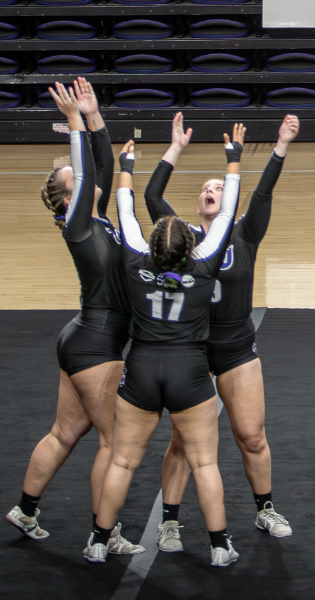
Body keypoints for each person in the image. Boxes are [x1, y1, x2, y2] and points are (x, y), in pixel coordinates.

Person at [141, 111, 300, 550]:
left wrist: (280, 146)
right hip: (190, 352)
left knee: (251, 436)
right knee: (182, 442)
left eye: (218, 186)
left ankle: (266, 509)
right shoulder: (184, 238)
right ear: (198, 205)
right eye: (204, 189)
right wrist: (174, 150)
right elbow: (152, 195)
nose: (211, 191)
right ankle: (170, 521)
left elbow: (264, 193)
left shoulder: (244, 234)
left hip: (236, 349)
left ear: (228, 198)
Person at [93, 110, 244, 568]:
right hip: (189, 371)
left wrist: (126, 166)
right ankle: (219, 547)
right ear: (189, 247)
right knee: (205, 464)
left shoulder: (137, 260)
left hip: (140, 367)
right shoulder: (204, 264)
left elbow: (125, 207)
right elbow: (230, 209)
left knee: (121, 462)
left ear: (154, 244)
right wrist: (233, 158)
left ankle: (99, 541)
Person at [5, 80, 126, 544]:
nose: (87, 176)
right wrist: (74, 121)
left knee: (64, 433)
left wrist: (94, 117)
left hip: (81, 339)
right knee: (115, 443)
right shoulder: (77, 226)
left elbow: (102, 163)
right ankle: (105, 534)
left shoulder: (94, 219)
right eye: (76, 178)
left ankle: (25, 510)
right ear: (68, 198)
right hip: (97, 343)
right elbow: (85, 163)